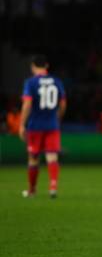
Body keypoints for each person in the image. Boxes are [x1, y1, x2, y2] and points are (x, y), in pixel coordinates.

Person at [19, 55, 66, 198]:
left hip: (35, 126)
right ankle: (53, 186)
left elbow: (27, 103)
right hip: (52, 125)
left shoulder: (30, 82)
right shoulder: (57, 81)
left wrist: (21, 124)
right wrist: (57, 118)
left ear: (33, 67)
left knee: (33, 158)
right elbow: (63, 103)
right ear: (46, 65)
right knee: (52, 156)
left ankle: (32, 190)